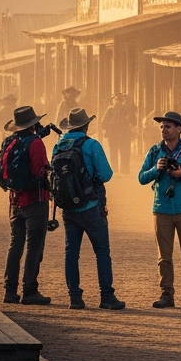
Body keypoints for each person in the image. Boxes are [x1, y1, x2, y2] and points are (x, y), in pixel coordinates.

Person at [51, 107, 124, 310]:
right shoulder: (92, 145)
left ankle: (75, 297)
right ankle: (106, 296)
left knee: (71, 252)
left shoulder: (58, 146)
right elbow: (106, 174)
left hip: (67, 208)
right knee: (101, 251)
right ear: (86, 125)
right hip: (91, 205)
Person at [139, 111, 181, 309]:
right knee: (164, 256)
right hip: (161, 209)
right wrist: (156, 169)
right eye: (161, 126)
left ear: (179, 129)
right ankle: (166, 294)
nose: (163, 130)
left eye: (168, 126)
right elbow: (142, 178)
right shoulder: (154, 152)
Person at [0, 106, 53, 305]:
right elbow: (39, 170)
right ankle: (30, 290)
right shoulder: (36, 143)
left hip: (14, 200)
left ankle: (10, 291)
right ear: (34, 124)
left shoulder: (9, 141)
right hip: (35, 200)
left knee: (15, 245)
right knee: (34, 245)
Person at [102, 93, 132, 173]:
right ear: (113, 100)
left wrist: (126, 120)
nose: (118, 102)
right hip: (113, 135)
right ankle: (114, 169)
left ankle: (125, 170)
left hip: (124, 135)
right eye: (116, 100)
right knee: (113, 153)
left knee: (125, 153)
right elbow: (103, 123)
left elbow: (133, 121)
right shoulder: (110, 110)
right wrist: (111, 123)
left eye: (120, 100)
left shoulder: (126, 110)